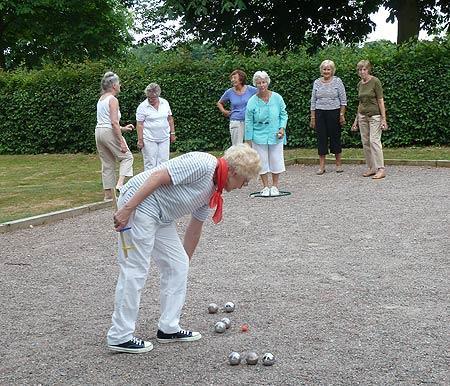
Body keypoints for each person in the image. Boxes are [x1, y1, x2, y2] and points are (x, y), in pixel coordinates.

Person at [107, 144, 261, 354]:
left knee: (178, 264)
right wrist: (126, 209)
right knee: (134, 268)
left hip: (161, 215)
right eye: (245, 180)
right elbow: (157, 177)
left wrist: (182, 265)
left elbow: (194, 229)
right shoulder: (203, 164)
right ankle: (120, 336)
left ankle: (168, 328)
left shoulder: (213, 190)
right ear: (234, 173)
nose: (244, 186)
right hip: (140, 205)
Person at [245, 71, 288, 197]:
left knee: (276, 159)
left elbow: (283, 114)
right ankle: (265, 187)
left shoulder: (277, 97)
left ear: (267, 82)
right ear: (255, 84)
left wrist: (282, 128)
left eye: (263, 82)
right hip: (258, 135)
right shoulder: (252, 101)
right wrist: (248, 139)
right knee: (261, 161)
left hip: (276, 134)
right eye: (259, 83)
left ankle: (275, 186)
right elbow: (248, 120)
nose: (261, 85)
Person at [351, 60, 388, 179]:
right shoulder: (359, 84)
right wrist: (355, 121)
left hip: (375, 116)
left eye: (364, 69)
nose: (362, 72)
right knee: (365, 142)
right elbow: (360, 103)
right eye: (360, 70)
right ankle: (371, 167)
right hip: (362, 116)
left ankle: (381, 169)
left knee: (374, 141)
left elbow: (380, 100)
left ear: (368, 70)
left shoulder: (375, 81)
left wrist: (384, 119)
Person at [310, 60, 347, 175]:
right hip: (320, 113)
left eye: (328, 69)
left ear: (332, 70)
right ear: (321, 70)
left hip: (334, 112)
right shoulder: (316, 82)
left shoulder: (337, 81)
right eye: (324, 69)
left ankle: (338, 164)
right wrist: (313, 117)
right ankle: (322, 166)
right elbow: (313, 100)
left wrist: (342, 114)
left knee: (335, 137)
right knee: (321, 139)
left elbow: (343, 100)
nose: (326, 71)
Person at [136, 83, 176, 171]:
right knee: (150, 163)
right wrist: (140, 140)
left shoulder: (164, 103)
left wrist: (172, 133)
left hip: (164, 137)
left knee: (164, 162)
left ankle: (162, 183)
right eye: (148, 97)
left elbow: (170, 119)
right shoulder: (142, 107)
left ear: (158, 95)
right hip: (149, 138)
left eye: (153, 98)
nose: (150, 100)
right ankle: (150, 183)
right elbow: (139, 124)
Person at [217, 70, 257, 145]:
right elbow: (219, 103)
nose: (232, 80)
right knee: (237, 146)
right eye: (231, 78)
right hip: (235, 122)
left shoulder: (251, 89)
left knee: (250, 145)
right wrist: (224, 111)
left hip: (250, 121)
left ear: (241, 79)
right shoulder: (229, 92)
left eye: (235, 78)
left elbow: (262, 96)